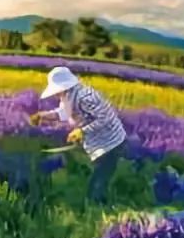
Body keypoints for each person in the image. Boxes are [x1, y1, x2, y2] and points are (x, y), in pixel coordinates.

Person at [30, 66, 126, 204]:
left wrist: (82, 131)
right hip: (98, 141)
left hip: (112, 142)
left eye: (57, 91)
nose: (56, 94)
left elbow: (104, 119)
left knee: (99, 179)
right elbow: (63, 113)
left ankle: (97, 209)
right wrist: (43, 116)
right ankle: (97, 205)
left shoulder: (85, 97)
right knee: (98, 175)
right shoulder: (68, 96)